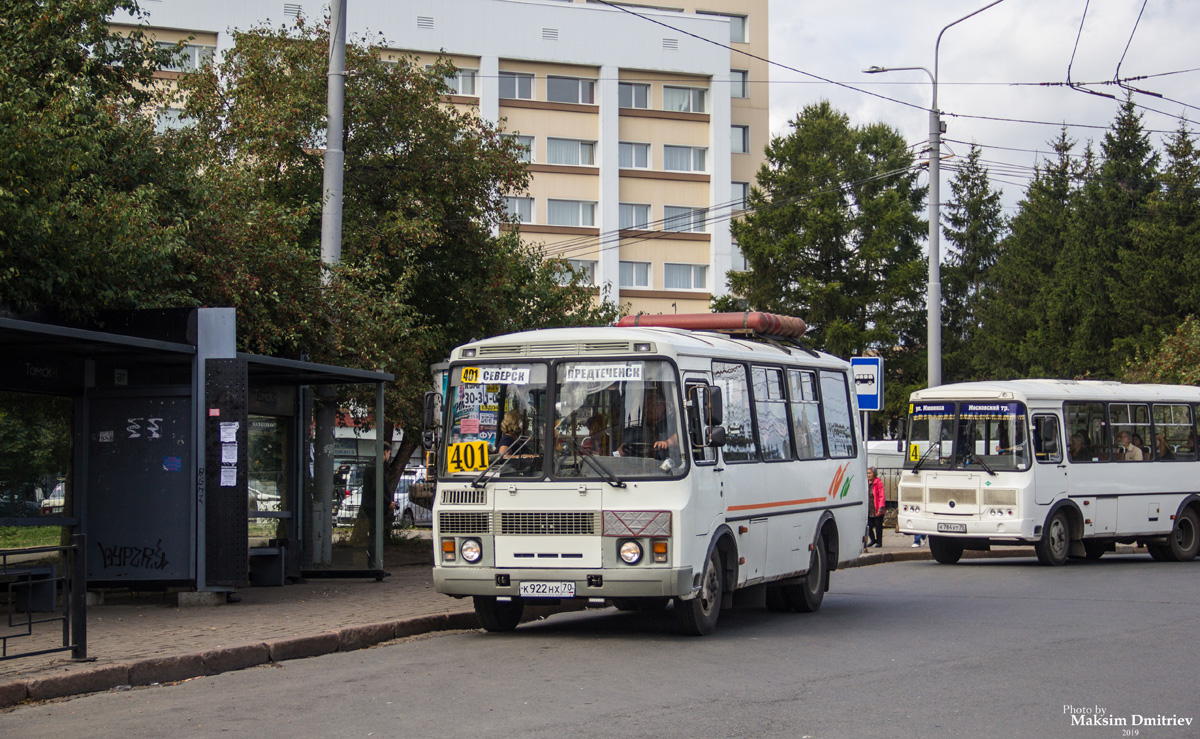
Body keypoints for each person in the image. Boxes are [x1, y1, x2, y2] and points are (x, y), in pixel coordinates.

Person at [620, 390, 679, 460]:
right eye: (646, 406)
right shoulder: (640, 428)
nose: (647, 409)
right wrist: (620, 451)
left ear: (662, 405)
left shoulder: (673, 422)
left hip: (671, 465)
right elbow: (624, 448)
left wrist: (667, 443)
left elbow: (682, 436)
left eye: (651, 405)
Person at [866, 467, 885, 549]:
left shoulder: (878, 483)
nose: (868, 475)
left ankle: (879, 542)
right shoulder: (866, 483)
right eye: (867, 473)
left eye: (869, 473)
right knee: (868, 525)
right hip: (869, 507)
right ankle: (873, 540)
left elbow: (882, 495)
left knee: (878, 526)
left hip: (877, 507)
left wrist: (881, 506)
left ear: (874, 474)